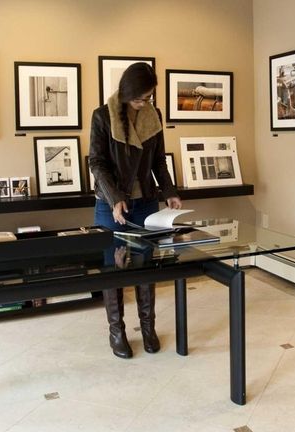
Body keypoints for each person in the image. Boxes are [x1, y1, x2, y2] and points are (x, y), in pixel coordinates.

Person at [88, 62, 182, 359]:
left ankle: (148, 327)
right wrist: (114, 197)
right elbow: (97, 163)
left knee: (146, 267)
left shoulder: (153, 116)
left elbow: (158, 161)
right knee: (112, 269)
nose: (144, 103)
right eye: (140, 98)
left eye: (149, 98)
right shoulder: (102, 117)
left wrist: (170, 193)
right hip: (110, 204)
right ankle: (117, 331)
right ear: (128, 92)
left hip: (145, 205)